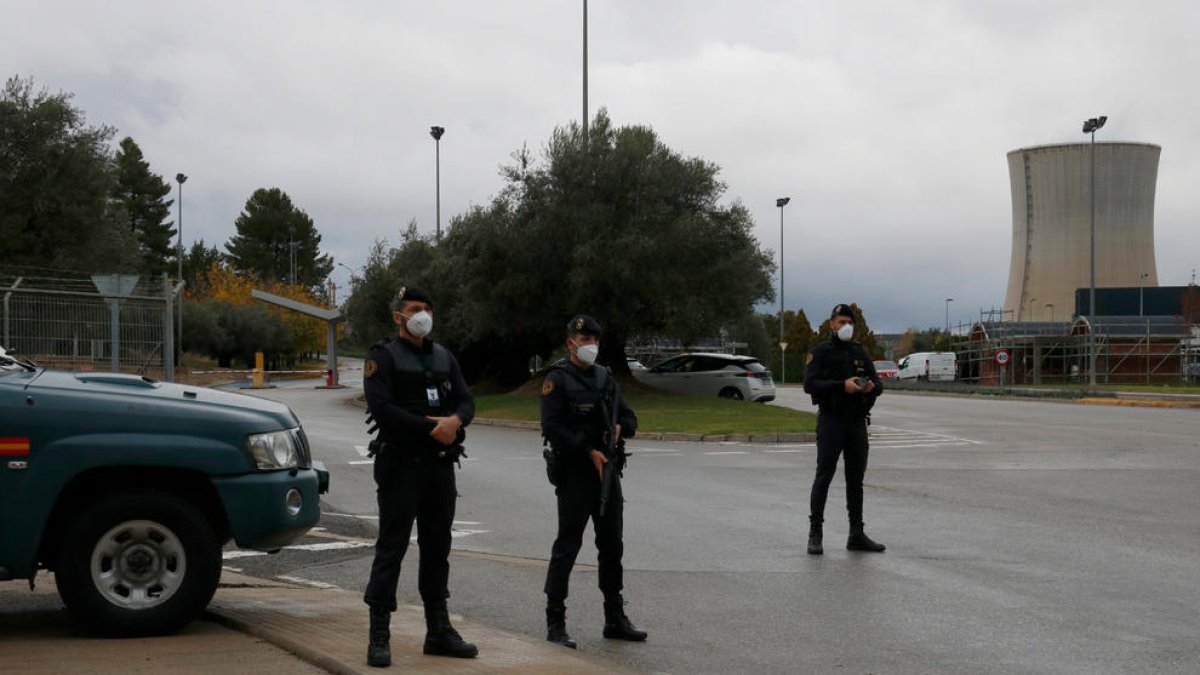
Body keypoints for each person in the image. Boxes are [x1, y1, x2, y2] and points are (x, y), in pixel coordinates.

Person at [362, 286, 478, 667]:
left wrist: (455, 421)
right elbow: (382, 409)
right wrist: (431, 427)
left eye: (427, 308)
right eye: (414, 309)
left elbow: (466, 400)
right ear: (398, 316)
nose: (422, 315)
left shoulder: (444, 356)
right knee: (391, 548)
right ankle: (379, 633)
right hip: (401, 466)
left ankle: (438, 629)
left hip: (440, 467)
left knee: (437, 548)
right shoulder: (383, 356)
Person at [540, 315, 647, 649]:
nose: (590, 346)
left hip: (607, 473)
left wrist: (618, 428)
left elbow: (629, 418)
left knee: (612, 545)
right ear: (570, 341)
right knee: (567, 546)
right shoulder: (557, 379)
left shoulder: (605, 378)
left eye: (595, 340)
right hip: (576, 473)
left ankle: (614, 616)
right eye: (584, 339)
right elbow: (552, 426)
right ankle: (555, 621)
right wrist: (587, 450)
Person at [803, 303, 886, 555]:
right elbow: (809, 384)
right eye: (841, 322)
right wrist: (842, 386)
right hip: (831, 421)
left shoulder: (859, 351)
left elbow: (879, 384)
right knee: (824, 476)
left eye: (849, 323)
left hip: (856, 422)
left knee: (855, 480)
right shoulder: (821, 352)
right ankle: (815, 533)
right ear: (831, 324)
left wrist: (870, 387)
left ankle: (856, 534)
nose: (845, 327)